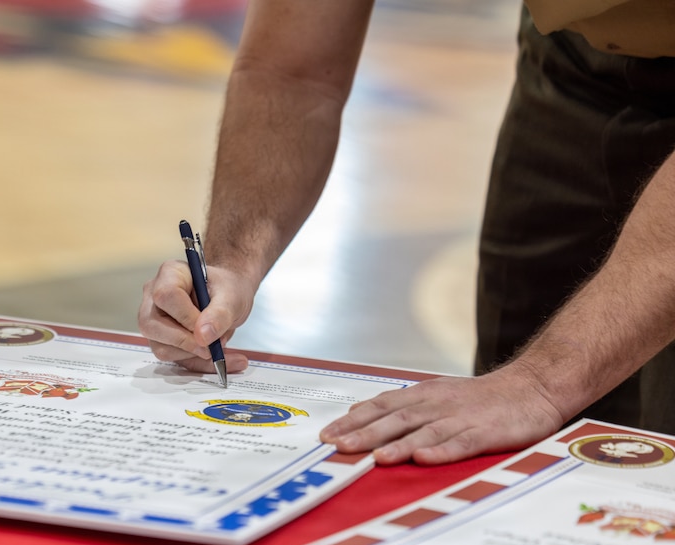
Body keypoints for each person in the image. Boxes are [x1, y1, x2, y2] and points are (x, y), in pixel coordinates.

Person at [137, 0, 675, 465]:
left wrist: (543, 382)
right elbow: (290, 71)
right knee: (499, 435)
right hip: (574, 60)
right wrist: (233, 264)